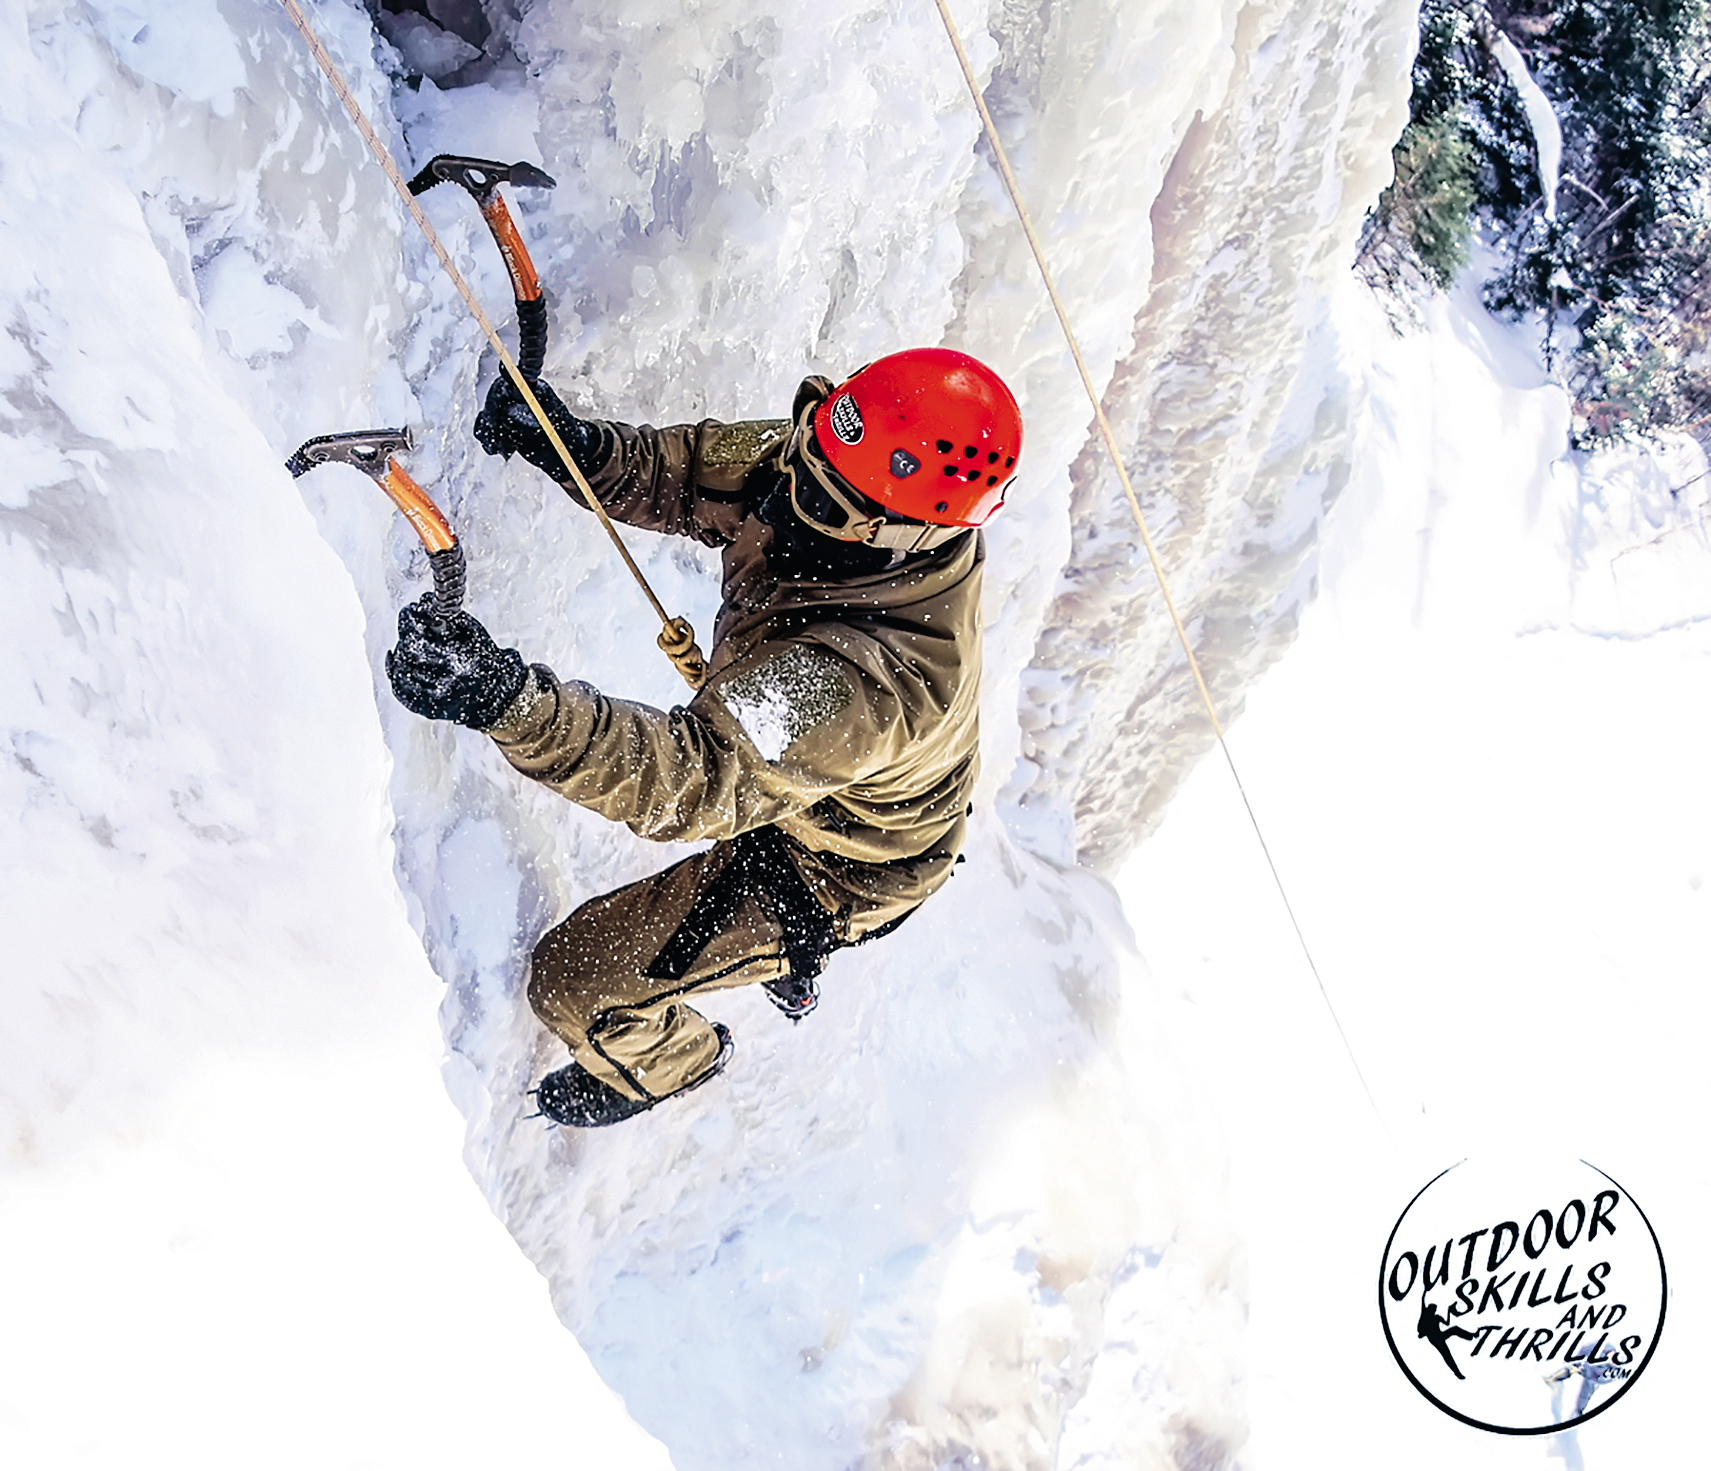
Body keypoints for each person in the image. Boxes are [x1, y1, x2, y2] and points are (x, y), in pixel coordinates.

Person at [385, 348, 1023, 1126]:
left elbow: (689, 776)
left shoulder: (861, 684)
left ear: (901, 533)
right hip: (804, 773)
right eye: (801, 450)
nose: (786, 494)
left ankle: (667, 1062)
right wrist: (582, 452)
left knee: (573, 982)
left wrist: (509, 703)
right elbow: (697, 472)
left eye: (820, 503)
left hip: (837, 868)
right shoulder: (836, 467)